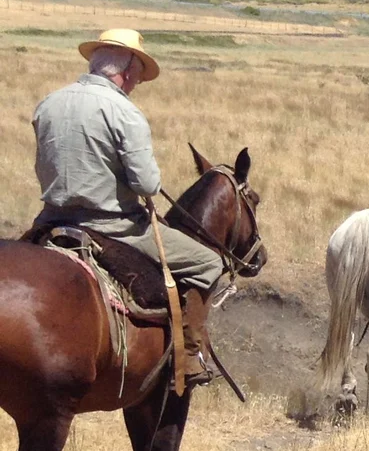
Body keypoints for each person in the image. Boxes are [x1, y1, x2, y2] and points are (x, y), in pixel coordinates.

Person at [31, 28, 227, 385]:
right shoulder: (125, 112)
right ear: (127, 71)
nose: (136, 84)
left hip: (49, 218)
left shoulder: (48, 103)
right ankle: (188, 358)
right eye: (137, 76)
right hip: (113, 225)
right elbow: (147, 184)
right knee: (208, 262)